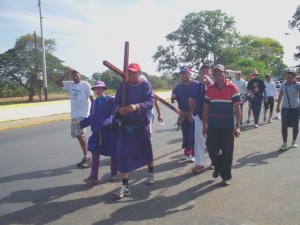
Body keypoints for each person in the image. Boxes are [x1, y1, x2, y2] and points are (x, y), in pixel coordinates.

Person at [113, 63, 155, 198]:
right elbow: (115, 102)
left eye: (134, 72)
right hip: (125, 125)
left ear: (139, 72)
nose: (131, 75)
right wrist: (119, 109)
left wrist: (137, 106)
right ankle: (125, 186)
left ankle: (150, 172)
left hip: (141, 124)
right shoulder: (123, 86)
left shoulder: (145, 85)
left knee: (146, 149)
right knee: (122, 153)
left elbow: (151, 101)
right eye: (129, 72)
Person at [202, 64, 241, 186]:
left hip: (228, 126)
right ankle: (218, 166)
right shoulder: (210, 88)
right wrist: (204, 125)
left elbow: (237, 108)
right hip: (213, 125)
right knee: (211, 148)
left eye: (220, 73)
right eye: (215, 74)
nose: (217, 76)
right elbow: (206, 108)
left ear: (225, 74)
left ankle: (226, 176)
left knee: (227, 152)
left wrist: (238, 126)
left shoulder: (232, 87)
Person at [75, 81, 118, 184]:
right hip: (97, 132)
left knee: (113, 153)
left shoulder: (110, 100)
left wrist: (109, 121)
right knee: (94, 151)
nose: (98, 91)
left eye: (100, 88)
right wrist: (81, 122)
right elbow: (91, 118)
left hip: (109, 131)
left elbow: (115, 115)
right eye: (96, 89)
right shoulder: (94, 103)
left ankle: (114, 173)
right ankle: (94, 177)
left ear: (104, 89)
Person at [55, 68, 94, 168]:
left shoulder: (85, 85)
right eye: (73, 75)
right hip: (74, 115)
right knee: (79, 135)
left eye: (77, 75)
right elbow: (57, 82)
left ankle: (86, 157)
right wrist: (66, 73)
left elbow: (92, 99)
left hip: (82, 114)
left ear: (81, 75)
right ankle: (86, 156)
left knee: (79, 134)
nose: (75, 77)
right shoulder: (70, 84)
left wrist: (94, 112)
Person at [188, 64, 212, 173]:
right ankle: (200, 164)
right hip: (199, 116)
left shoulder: (215, 84)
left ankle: (214, 161)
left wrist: (208, 82)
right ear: (200, 74)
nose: (205, 74)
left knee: (213, 141)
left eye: (207, 71)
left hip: (213, 117)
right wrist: (190, 112)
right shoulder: (197, 85)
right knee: (198, 141)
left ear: (211, 73)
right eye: (203, 72)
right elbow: (194, 99)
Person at [171, 66, 198, 162]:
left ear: (190, 74)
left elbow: (202, 97)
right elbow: (173, 96)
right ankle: (187, 152)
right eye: (182, 74)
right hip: (183, 113)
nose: (184, 75)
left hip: (194, 113)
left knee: (193, 134)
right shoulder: (179, 86)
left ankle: (194, 154)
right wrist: (173, 97)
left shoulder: (196, 84)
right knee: (185, 134)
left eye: (186, 73)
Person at [276, 70, 300, 150]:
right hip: (285, 108)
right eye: (287, 77)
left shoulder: (298, 85)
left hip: (296, 108)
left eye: (290, 77)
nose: (288, 79)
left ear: (293, 77)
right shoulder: (283, 85)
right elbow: (280, 96)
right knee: (284, 125)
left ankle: (294, 142)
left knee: (295, 125)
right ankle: (285, 143)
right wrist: (278, 106)